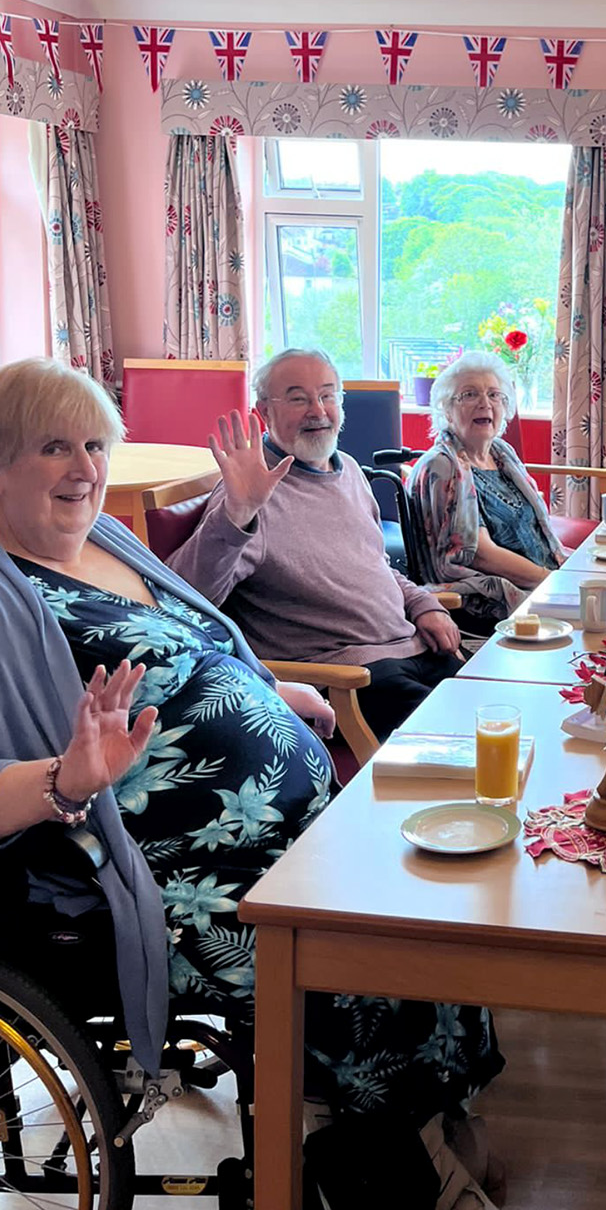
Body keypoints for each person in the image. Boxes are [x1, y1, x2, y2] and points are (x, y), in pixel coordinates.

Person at [0, 358, 502, 1208]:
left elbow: (199, 639)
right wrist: (65, 777)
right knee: (359, 943)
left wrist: (271, 689)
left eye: (94, 445)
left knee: (427, 889)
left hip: (293, 816)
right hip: (173, 870)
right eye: (53, 447)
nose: (84, 468)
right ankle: (384, 1157)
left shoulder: (106, 541)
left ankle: (406, 1119)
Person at [169, 348, 464, 740]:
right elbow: (184, 598)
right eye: (297, 398)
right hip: (345, 679)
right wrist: (238, 514)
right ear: (264, 411)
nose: (317, 410)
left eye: (327, 395)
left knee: (507, 705)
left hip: (414, 647)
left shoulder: (350, 470)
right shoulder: (248, 493)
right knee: (467, 739)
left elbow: (376, 565)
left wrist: (423, 604)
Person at [407, 351, 565, 626]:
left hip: (538, 581)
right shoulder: (442, 466)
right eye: (470, 395)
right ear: (447, 410)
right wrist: (553, 581)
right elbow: (480, 554)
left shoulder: (502, 453)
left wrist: (568, 570)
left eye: (494, 395)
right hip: (491, 601)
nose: (485, 403)